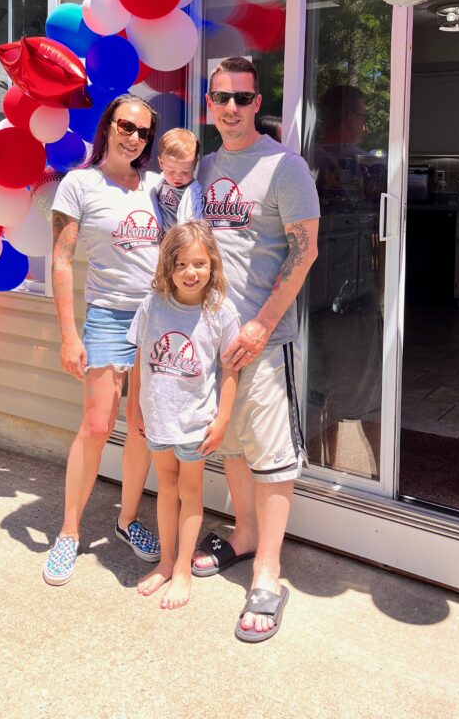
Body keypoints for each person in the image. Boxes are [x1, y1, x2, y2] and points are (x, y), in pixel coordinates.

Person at [194, 56, 320, 643]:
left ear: (258, 102)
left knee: (271, 456)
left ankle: (268, 571)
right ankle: (243, 535)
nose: (231, 109)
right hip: (216, 342)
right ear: (209, 103)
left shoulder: (284, 167)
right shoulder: (206, 166)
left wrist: (262, 325)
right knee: (236, 446)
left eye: (242, 99)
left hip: (264, 342)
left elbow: (305, 253)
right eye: (221, 98)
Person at [44, 94, 162, 585]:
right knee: (96, 425)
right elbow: (62, 260)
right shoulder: (79, 184)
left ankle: (127, 519)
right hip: (108, 318)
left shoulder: (160, 187)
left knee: (139, 428)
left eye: (142, 132)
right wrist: (70, 335)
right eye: (125, 126)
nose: (133, 137)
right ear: (108, 126)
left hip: (157, 320)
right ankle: (68, 533)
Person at [127, 220, 239, 609]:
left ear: (212, 265)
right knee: (165, 488)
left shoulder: (221, 313)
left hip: (196, 423)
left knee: (190, 491)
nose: (191, 273)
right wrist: (132, 403)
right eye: (181, 265)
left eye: (199, 264)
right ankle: (167, 561)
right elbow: (141, 355)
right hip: (157, 417)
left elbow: (230, 370)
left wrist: (222, 419)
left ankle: (183, 572)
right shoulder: (152, 305)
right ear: (167, 268)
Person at [309, 84, 384, 478]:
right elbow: (385, 236)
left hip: (307, 298)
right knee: (368, 397)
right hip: (355, 297)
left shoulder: (302, 161)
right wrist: (382, 288)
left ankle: (318, 472)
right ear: (352, 119)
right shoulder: (371, 166)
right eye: (362, 116)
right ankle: (379, 479)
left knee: (315, 395)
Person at [150, 127, 203, 229]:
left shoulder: (193, 192)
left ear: (194, 165)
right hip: (158, 237)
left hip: (179, 238)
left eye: (185, 171)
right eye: (171, 171)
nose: (178, 177)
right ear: (161, 163)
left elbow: (195, 219)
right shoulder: (158, 182)